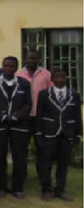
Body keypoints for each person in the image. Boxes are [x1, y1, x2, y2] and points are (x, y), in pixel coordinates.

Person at [0, 56, 32, 199]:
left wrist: (17, 115)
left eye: (11, 66)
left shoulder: (24, 83)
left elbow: (28, 104)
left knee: (20, 157)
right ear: (2, 67)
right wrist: (2, 116)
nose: (8, 68)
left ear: (16, 68)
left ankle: (18, 188)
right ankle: (0, 187)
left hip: (19, 125)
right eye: (6, 65)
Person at [34, 69, 81, 201]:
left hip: (66, 134)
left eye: (62, 77)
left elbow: (78, 115)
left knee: (63, 164)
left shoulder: (74, 95)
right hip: (49, 133)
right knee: (46, 163)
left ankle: (60, 190)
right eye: (57, 77)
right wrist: (38, 133)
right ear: (52, 79)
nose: (60, 80)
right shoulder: (44, 94)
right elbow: (39, 115)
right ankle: (46, 189)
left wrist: (78, 134)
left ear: (66, 78)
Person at [17, 49, 52, 117]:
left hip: (42, 112)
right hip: (23, 113)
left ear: (39, 59)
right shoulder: (18, 75)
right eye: (30, 58)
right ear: (25, 59)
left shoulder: (47, 74)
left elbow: (51, 93)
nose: (32, 61)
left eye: (35, 58)